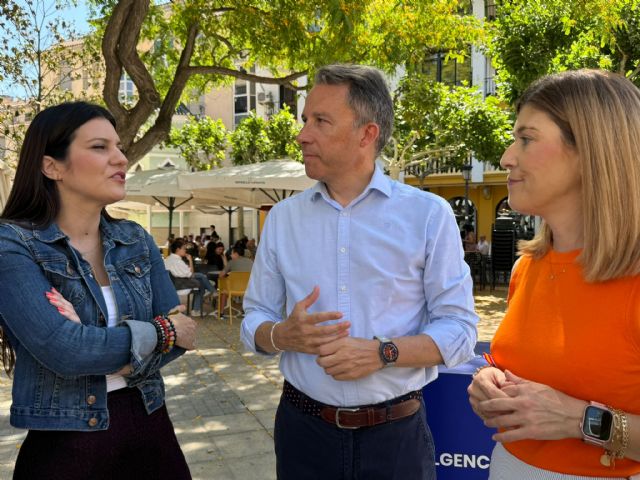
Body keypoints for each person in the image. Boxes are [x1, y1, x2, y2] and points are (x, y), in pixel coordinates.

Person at [241, 64, 478, 479]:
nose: (302, 135)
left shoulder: (427, 214)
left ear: (367, 134)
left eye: (321, 121)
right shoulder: (282, 218)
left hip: (396, 440)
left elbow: (460, 330)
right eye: (305, 121)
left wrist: (382, 353)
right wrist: (281, 335)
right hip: (303, 433)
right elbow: (254, 318)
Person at [0, 101, 197, 479]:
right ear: (51, 166)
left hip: (151, 429)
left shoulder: (135, 239)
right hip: (67, 446)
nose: (121, 159)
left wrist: (97, 344)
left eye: (119, 147)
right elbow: (66, 350)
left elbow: (183, 341)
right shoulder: (15, 245)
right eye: (99, 147)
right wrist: (160, 333)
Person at [467, 70, 640, 478]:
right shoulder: (527, 268)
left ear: (591, 150)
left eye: (526, 139)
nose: (508, 156)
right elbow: (525, 365)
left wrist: (579, 419)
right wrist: (488, 377)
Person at [164, 238, 215, 316]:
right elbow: (191, 274)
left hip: (171, 284)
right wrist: (190, 260)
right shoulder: (178, 261)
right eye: (184, 248)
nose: (185, 251)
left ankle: (211, 290)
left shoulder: (167, 259)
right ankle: (197, 308)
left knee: (201, 277)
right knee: (201, 282)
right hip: (180, 285)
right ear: (178, 249)